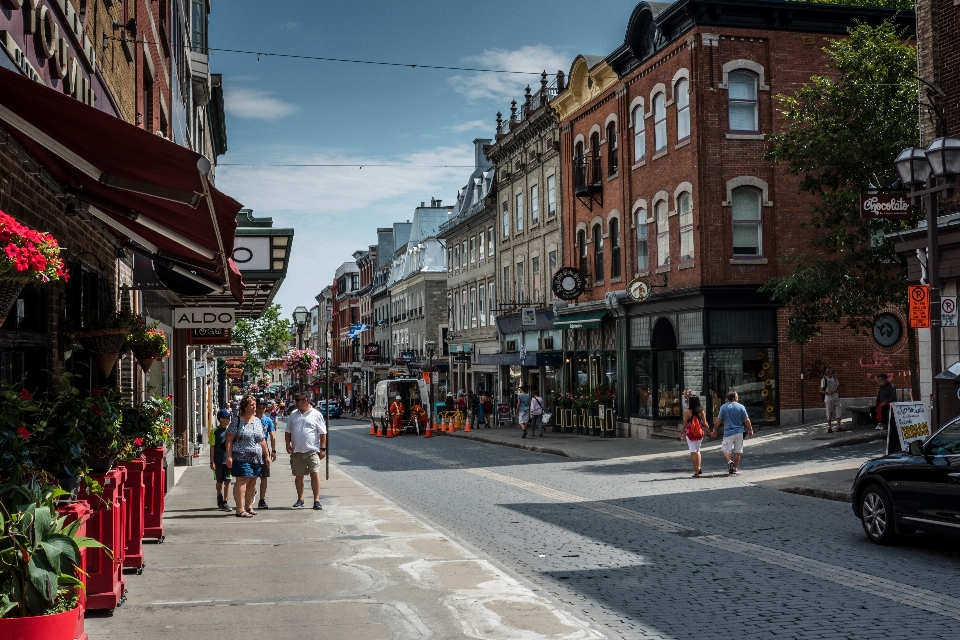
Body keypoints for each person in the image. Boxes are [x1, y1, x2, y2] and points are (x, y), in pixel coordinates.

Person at [225, 395, 270, 517]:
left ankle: (249, 506)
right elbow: (229, 439)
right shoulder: (237, 421)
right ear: (244, 407)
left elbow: (262, 440)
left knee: (253, 481)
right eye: (252, 405)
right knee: (242, 480)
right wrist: (229, 456)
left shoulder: (257, 421)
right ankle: (240, 509)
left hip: (256, 457)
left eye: (255, 405)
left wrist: (266, 455)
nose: (255, 407)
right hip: (240, 456)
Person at [285, 393, 327, 510]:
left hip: (312, 450)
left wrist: (322, 449)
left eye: (297, 400)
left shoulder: (316, 414)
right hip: (297, 450)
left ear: (306, 400)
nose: (295, 402)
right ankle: (300, 499)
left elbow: (323, 433)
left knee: (314, 474)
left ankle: (316, 500)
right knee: (299, 476)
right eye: (295, 400)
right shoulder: (293, 415)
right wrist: (287, 444)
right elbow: (288, 430)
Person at [712, 391, 753, 475]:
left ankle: (730, 461)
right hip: (739, 432)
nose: (738, 398)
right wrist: (750, 429)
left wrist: (715, 429)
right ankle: (735, 468)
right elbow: (746, 419)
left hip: (728, 432)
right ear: (734, 398)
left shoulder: (724, 407)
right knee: (738, 451)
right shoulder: (741, 407)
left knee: (725, 449)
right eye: (737, 396)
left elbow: (719, 420)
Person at [255, 398, 277, 510]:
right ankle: (252, 490)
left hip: (264, 451)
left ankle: (262, 500)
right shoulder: (251, 419)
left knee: (264, 476)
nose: (261, 410)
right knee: (252, 476)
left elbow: (272, 436)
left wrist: (273, 451)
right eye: (259, 408)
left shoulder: (267, 421)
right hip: (252, 451)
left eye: (263, 408)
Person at [209, 407, 232, 511]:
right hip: (218, 461)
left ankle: (225, 501)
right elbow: (212, 447)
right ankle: (219, 496)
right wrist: (212, 461)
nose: (229, 420)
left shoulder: (230, 431)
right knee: (219, 482)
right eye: (227, 418)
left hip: (228, 461)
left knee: (228, 481)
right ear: (221, 419)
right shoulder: (215, 432)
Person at [681, 396, 708, 477]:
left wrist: (681, 432)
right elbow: (705, 423)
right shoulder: (701, 411)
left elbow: (685, 423)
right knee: (698, 450)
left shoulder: (687, 411)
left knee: (693, 452)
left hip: (690, 433)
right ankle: (699, 467)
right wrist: (710, 431)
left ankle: (696, 471)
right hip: (699, 433)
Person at [820, 367, 843, 433]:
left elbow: (838, 386)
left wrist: (836, 389)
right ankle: (829, 427)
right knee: (829, 412)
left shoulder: (835, 379)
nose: (830, 374)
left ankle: (838, 426)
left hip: (836, 397)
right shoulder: (824, 379)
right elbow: (821, 390)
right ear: (827, 373)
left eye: (831, 373)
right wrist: (827, 392)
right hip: (828, 398)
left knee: (839, 411)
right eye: (829, 373)